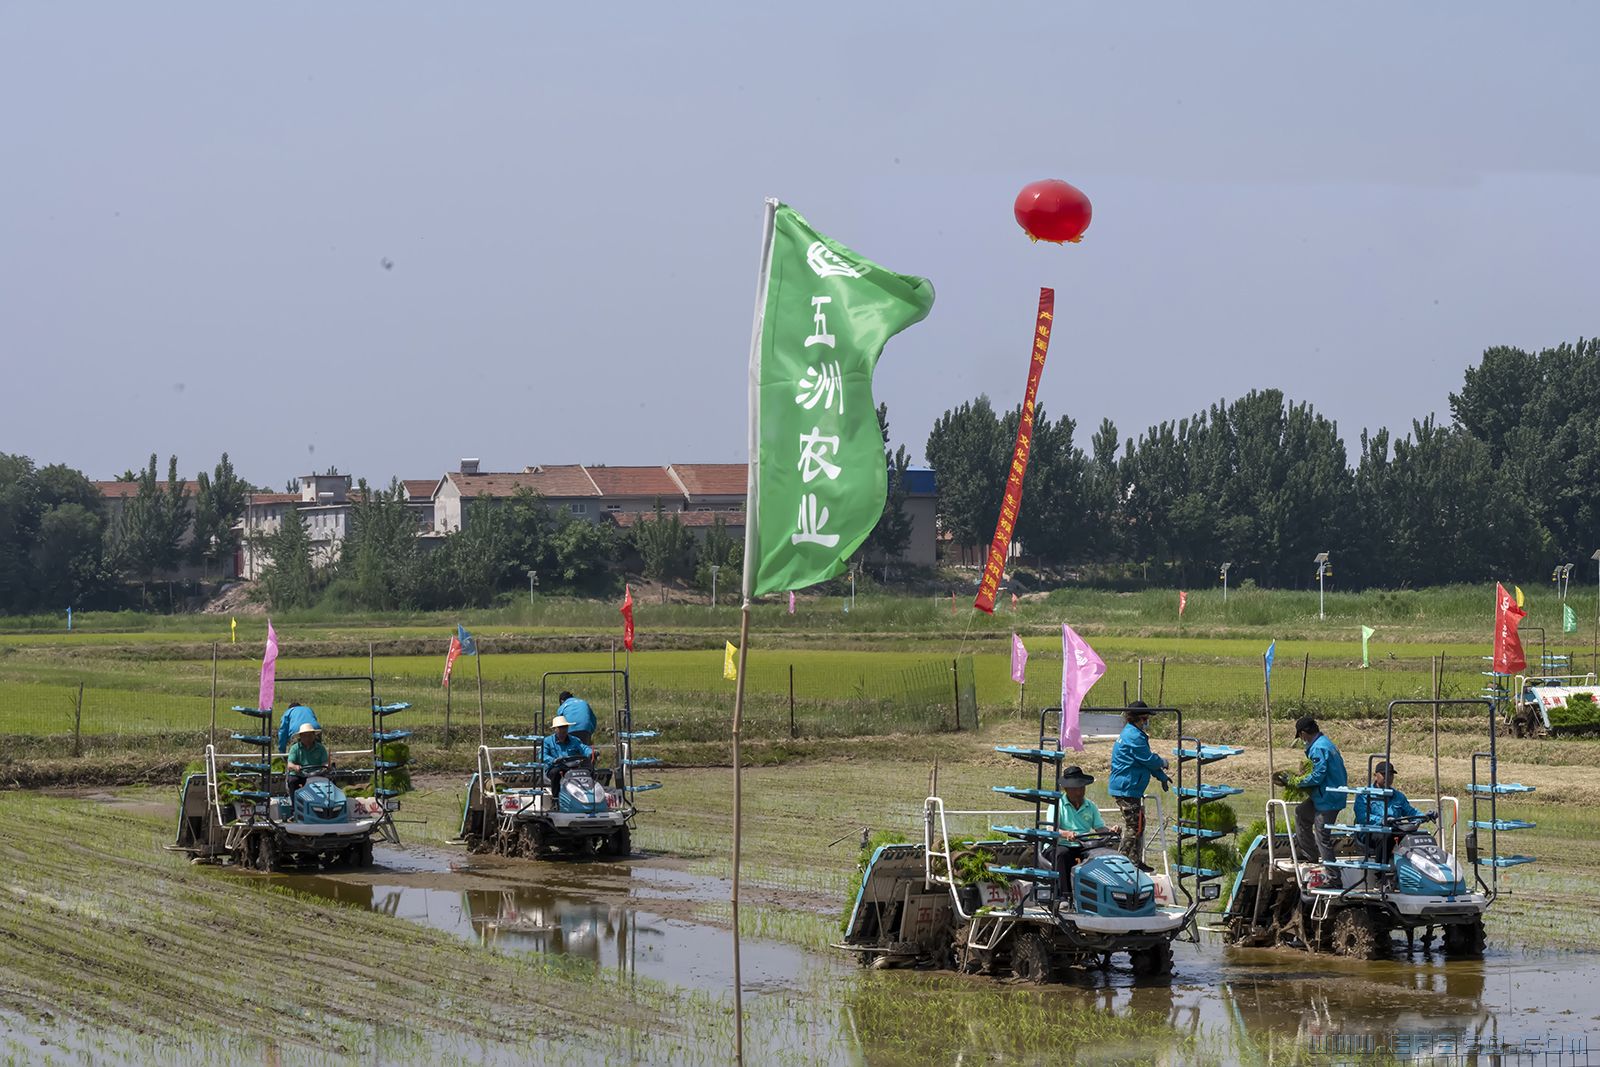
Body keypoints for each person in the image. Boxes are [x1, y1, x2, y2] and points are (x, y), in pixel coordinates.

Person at [1274, 716, 1348, 874]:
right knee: (1302, 813)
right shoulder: (1325, 743)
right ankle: (1310, 854)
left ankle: (1333, 878)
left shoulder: (1318, 748)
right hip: (1326, 795)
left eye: (1300, 737)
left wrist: (1295, 781)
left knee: (1322, 836)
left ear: (1303, 734)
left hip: (1329, 798)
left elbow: (1317, 776)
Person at [1109, 702, 1170, 869]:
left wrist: (1161, 776)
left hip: (1131, 787)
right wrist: (1162, 763)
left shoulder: (1134, 734)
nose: (1146, 721)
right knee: (1134, 826)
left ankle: (1134, 861)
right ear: (1136, 718)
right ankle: (1120, 861)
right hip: (1126, 788)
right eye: (1144, 718)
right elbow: (1149, 760)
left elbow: (1144, 763)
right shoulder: (1133, 737)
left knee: (1139, 824)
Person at [1049, 765, 1119, 891]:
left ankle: (1098, 891)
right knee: (1062, 854)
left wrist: (1110, 831)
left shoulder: (1090, 806)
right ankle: (1064, 894)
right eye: (1075, 788)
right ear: (1066, 789)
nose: (1079, 792)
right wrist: (1066, 834)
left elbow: (1099, 828)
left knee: (1102, 854)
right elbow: (1051, 829)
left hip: (1083, 845)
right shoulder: (1057, 805)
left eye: (1082, 788)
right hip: (1061, 844)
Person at [1353, 761, 1424, 864]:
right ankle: (1380, 874)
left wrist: (1424, 816)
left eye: (1391, 774)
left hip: (1393, 831)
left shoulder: (1398, 796)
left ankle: (1416, 870)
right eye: (1384, 774)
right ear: (1375, 775)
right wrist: (1381, 820)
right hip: (1370, 831)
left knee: (1416, 838)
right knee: (1385, 837)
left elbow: (1410, 812)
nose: (1388, 777)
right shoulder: (1364, 795)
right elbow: (1362, 816)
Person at [542, 714, 593, 792]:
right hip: (554, 767)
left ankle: (587, 794)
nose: (563, 730)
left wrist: (591, 752)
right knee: (556, 773)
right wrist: (553, 760)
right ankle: (555, 798)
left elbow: (583, 748)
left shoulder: (574, 740)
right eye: (560, 727)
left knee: (587, 771)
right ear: (555, 729)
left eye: (565, 727)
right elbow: (543, 755)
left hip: (572, 767)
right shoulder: (547, 741)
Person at [285, 722, 330, 790]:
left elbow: (325, 763)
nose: (307, 738)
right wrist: (295, 767)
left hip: (317, 774)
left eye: (310, 735)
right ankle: (294, 800)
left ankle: (328, 799)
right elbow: (290, 764)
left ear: (314, 735)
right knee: (292, 781)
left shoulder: (321, 748)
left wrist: (325, 767)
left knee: (330, 780)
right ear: (300, 736)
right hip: (300, 774)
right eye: (305, 736)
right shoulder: (295, 748)